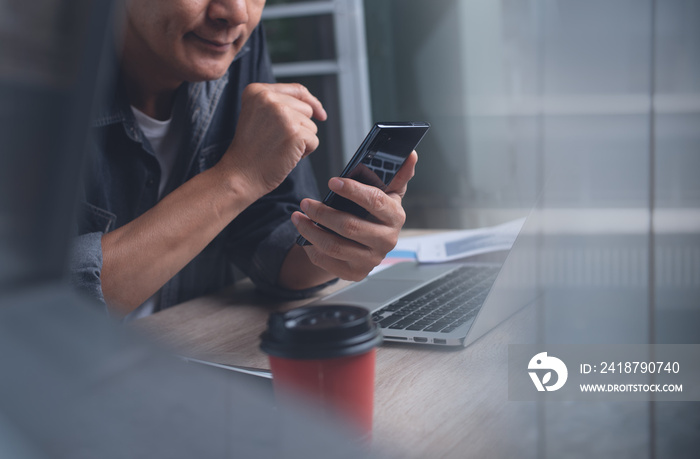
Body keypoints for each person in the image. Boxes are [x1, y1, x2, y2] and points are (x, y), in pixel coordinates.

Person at [71, 0, 417, 318]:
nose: (237, 13)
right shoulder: (32, 73)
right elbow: (39, 307)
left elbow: (272, 240)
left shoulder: (232, 46)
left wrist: (343, 244)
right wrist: (236, 179)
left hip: (190, 356)